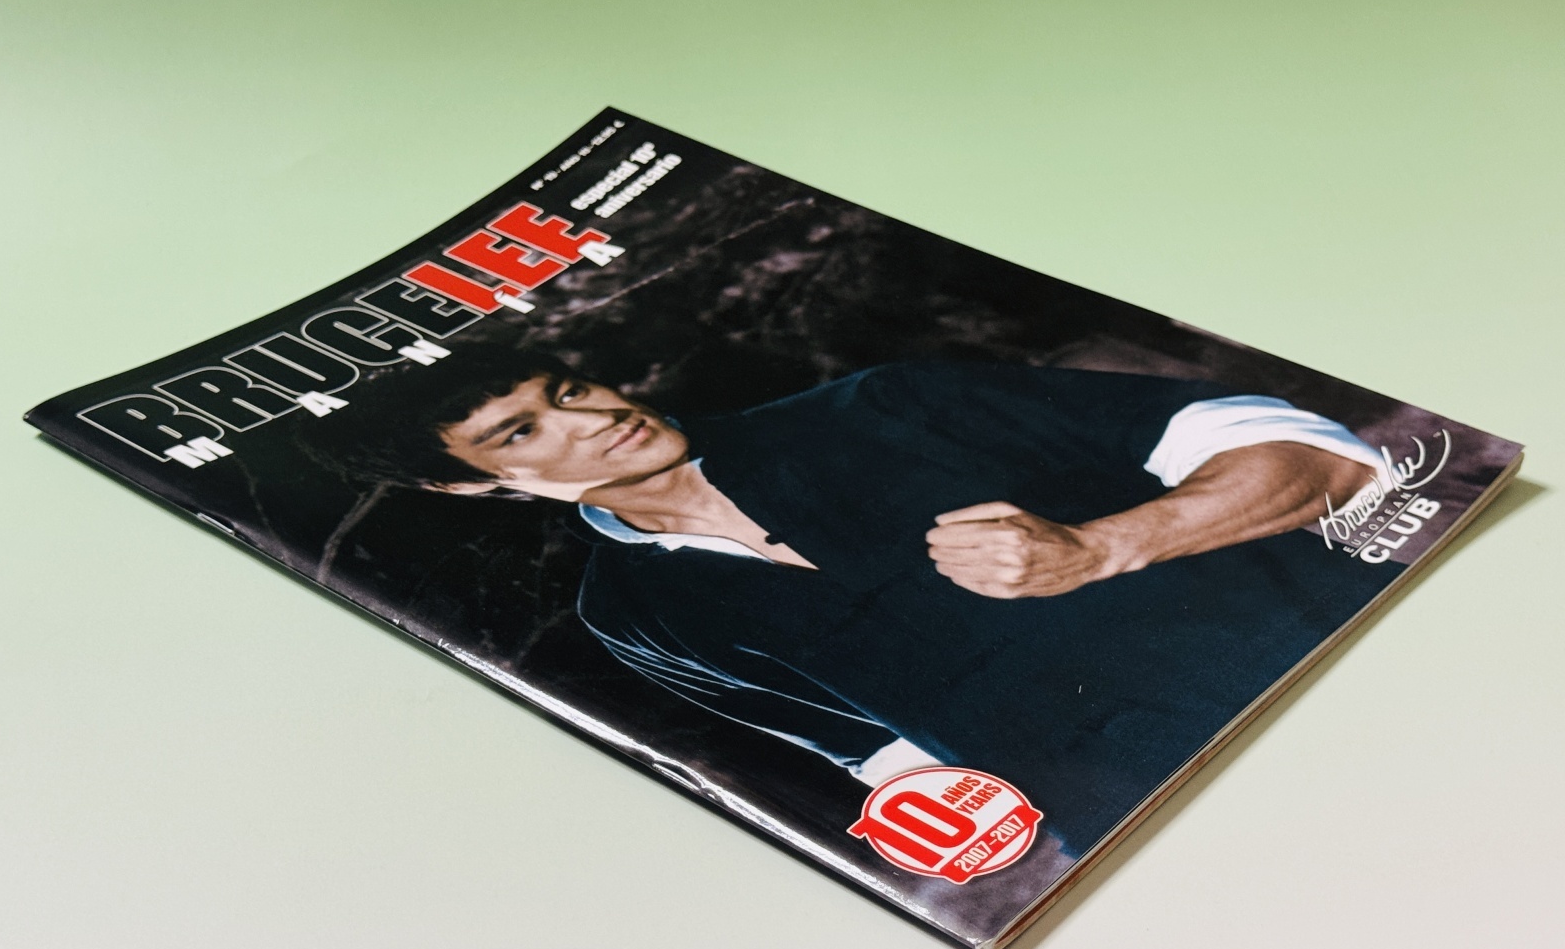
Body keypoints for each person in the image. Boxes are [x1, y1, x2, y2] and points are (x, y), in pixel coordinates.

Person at [308, 344, 1397, 856]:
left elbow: (1317, 456)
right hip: (1181, 843)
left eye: (568, 387)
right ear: (472, 486)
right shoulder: (630, 618)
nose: (596, 418)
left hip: (1364, 688)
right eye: (524, 430)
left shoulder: (891, 400)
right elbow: (897, 769)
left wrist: (1104, 546)